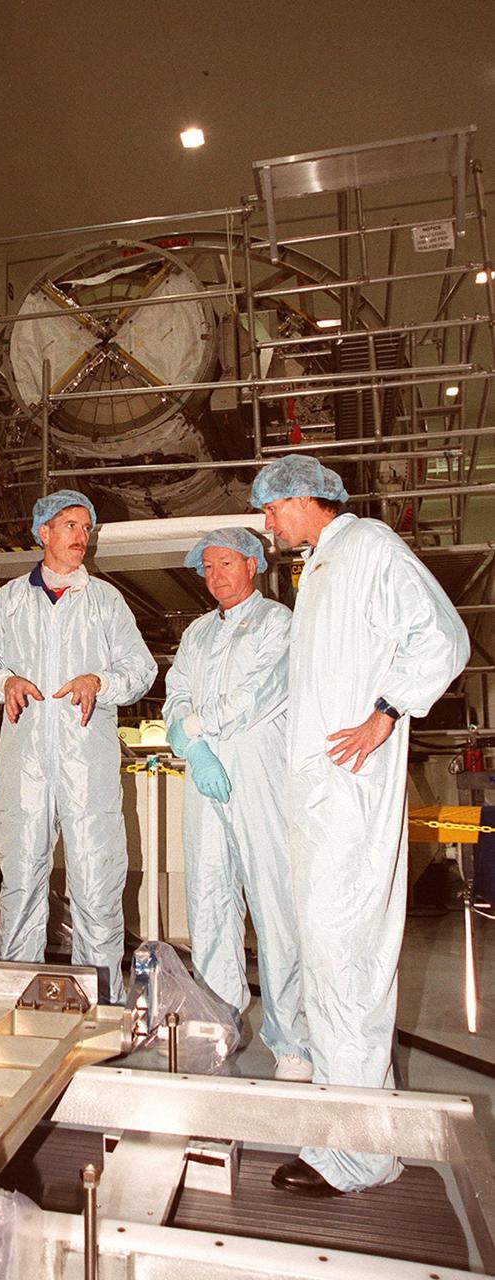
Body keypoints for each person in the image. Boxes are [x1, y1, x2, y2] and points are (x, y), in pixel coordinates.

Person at [251, 455, 469, 1198]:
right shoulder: (321, 566)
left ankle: (360, 1154)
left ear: (304, 498)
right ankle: (339, 1128)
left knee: (347, 967)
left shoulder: (369, 547)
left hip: (347, 795)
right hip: (318, 796)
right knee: (327, 962)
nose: (265, 521)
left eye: (270, 508)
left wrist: (384, 714)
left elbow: (441, 639)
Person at [0, 489, 157, 1003]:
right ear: (42, 533)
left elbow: (141, 669)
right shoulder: (8, 600)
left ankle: (100, 1004)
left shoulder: (105, 601)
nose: (80, 536)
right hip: (25, 763)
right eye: (69, 526)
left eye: (85, 528)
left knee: (96, 883)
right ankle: (19, 998)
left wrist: (99, 680)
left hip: (86, 763)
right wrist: (4, 681)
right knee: (22, 881)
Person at [163, 527, 310, 1081]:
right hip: (204, 775)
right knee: (208, 897)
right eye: (207, 567)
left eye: (226, 563)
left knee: (274, 902)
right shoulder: (198, 633)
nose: (215, 575)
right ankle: (220, 1018)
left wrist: (196, 726)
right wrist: (192, 743)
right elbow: (177, 691)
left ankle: (292, 1040)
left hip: (257, 771)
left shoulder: (279, 623)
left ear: (253, 565)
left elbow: (261, 693)